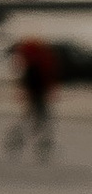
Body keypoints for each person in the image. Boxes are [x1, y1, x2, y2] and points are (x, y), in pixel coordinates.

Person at [7, 32, 59, 160]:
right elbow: (45, 78)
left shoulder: (32, 62)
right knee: (42, 121)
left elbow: (27, 80)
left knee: (33, 120)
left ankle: (19, 140)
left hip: (36, 95)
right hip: (39, 95)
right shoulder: (40, 61)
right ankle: (41, 145)